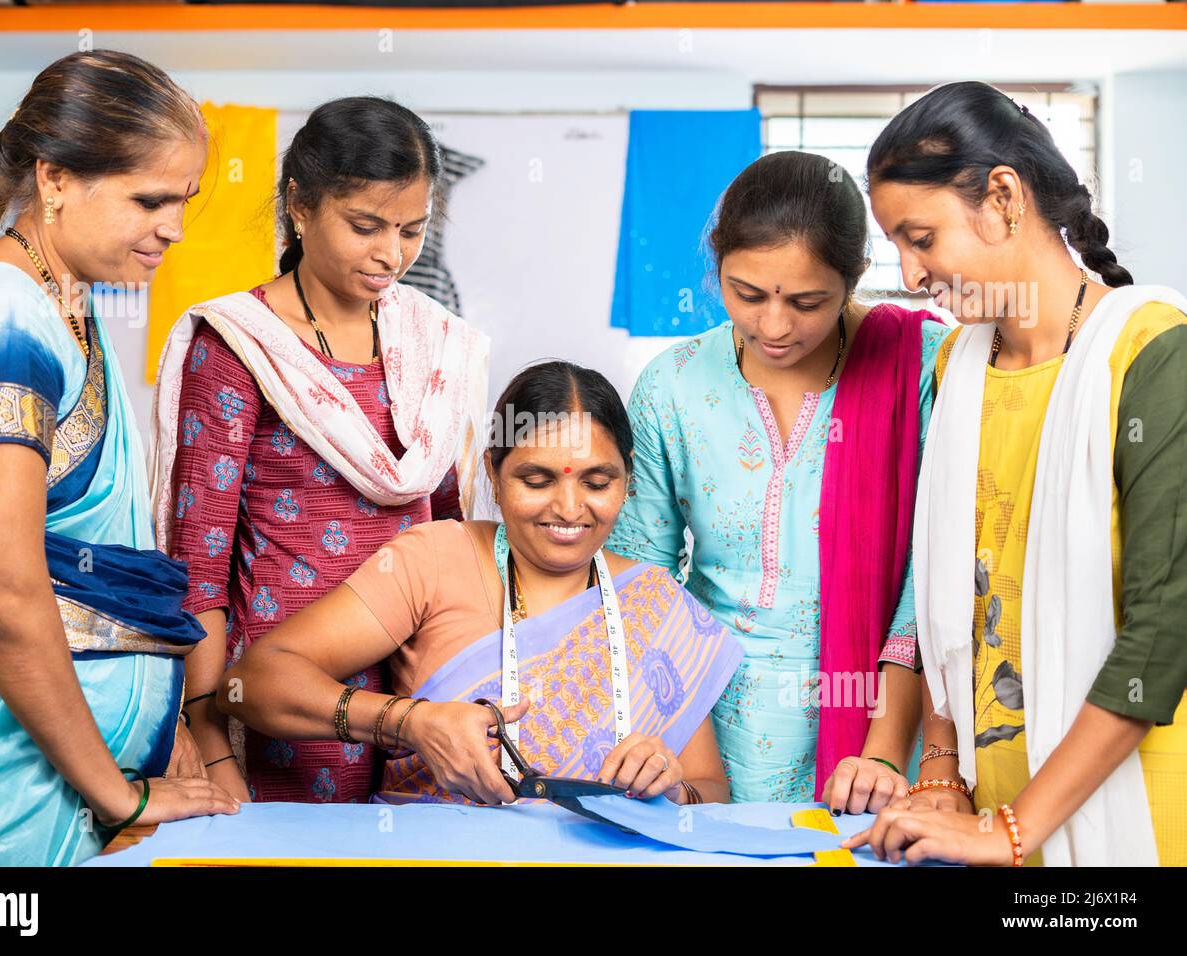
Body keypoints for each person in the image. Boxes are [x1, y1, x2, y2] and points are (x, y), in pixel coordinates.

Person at [0, 50, 239, 866]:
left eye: (182, 201)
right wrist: (116, 791)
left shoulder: (59, 301)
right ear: (54, 180)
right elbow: (1, 592)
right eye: (150, 200)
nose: (175, 228)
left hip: (56, 774)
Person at [848, 81, 1186, 866]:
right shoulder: (958, 364)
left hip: (1133, 812)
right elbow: (950, 598)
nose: (910, 271)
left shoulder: (1151, 353)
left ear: (1002, 196)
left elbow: (1164, 633)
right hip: (989, 812)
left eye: (921, 237)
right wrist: (940, 771)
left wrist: (1009, 829)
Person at [151, 97, 490, 805]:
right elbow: (199, 572)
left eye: (411, 230)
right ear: (300, 207)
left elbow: (455, 539)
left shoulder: (433, 344)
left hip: (421, 686)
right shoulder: (239, 344)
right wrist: (212, 751)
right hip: (282, 698)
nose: (390, 255)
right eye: (365, 226)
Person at [218, 362, 742, 806]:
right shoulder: (435, 559)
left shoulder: (656, 603)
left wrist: (671, 790)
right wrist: (409, 723)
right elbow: (252, 684)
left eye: (597, 482)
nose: (568, 508)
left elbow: (710, 791)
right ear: (493, 472)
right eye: (537, 481)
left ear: (627, 480)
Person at [606, 150, 951, 810]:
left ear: (855, 277)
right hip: (703, 721)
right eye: (748, 293)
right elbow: (641, 580)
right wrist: (681, 754)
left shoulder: (922, 367)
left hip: (880, 723)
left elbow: (932, 573)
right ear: (717, 264)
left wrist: (882, 749)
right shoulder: (672, 385)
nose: (774, 325)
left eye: (807, 301)